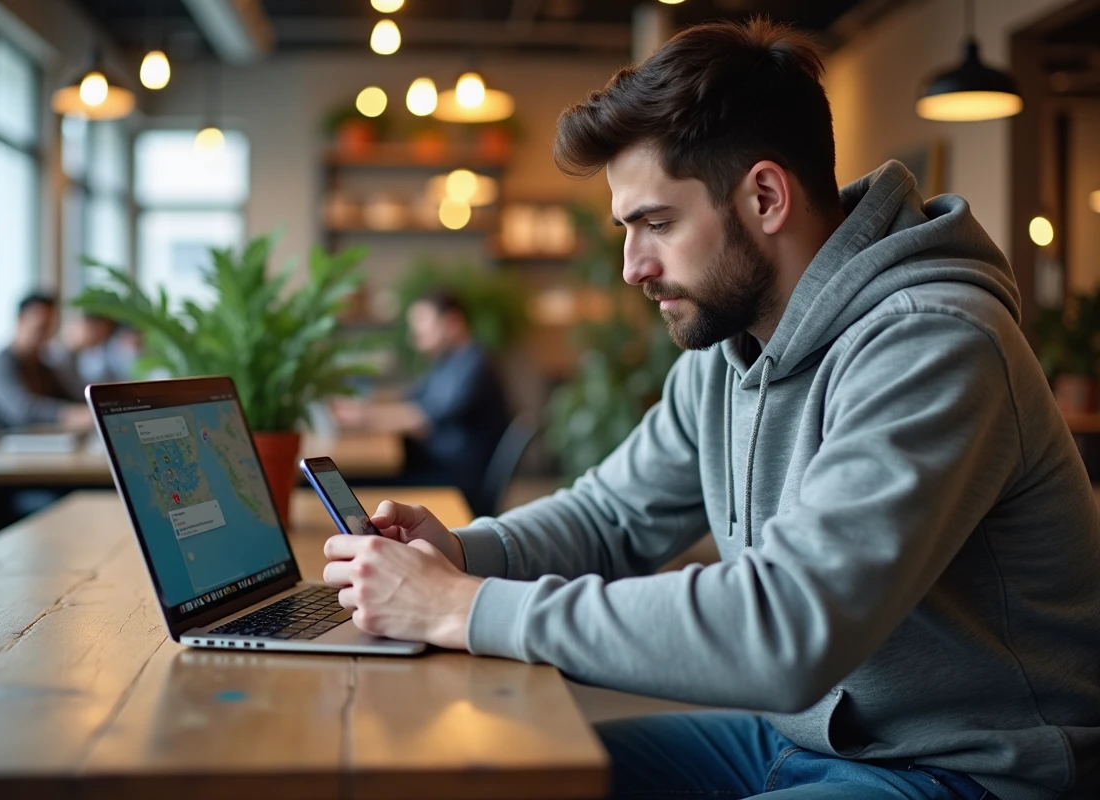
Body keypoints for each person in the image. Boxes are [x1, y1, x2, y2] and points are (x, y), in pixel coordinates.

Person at [319, 19, 1100, 800]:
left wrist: (466, 608)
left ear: (764, 196)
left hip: (974, 768)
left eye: (656, 224)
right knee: (514, 780)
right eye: (627, 230)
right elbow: (611, 518)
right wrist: (460, 555)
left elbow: (789, 625)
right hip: (801, 736)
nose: (632, 266)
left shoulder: (934, 342)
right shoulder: (732, 349)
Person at [333, 291, 510, 514]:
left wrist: (364, 418)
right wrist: (363, 406)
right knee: (350, 481)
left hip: (451, 478)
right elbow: (409, 399)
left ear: (452, 322)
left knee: (350, 485)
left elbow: (423, 418)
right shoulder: (447, 361)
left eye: (423, 324)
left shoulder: (473, 365)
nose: (415, 336)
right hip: (433, 466)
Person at [0, 293, 92, 431]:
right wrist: (71, 415)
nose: (46, 334)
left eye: (50, 328)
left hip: (23, 443)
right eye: (40, 327)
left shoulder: (40, 365)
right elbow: (22, 411)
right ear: (20, 320)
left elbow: (68, 397)